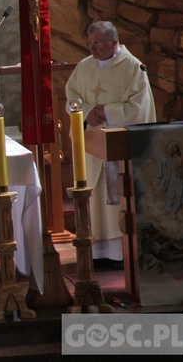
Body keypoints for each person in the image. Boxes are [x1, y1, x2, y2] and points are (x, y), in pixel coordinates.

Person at [66, 20, 156, 267]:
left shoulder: (133, 67)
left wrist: (107, 112)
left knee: (117, 197)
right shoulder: (84, 67)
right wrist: (86, 111)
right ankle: (97, 252)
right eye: (90, 44)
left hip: (118, 145)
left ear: (114, 43)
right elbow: (71, 97)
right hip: (92, 145)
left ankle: (121, 252)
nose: (93, 50)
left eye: (99, 44)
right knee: (94, 198)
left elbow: (140, 107)